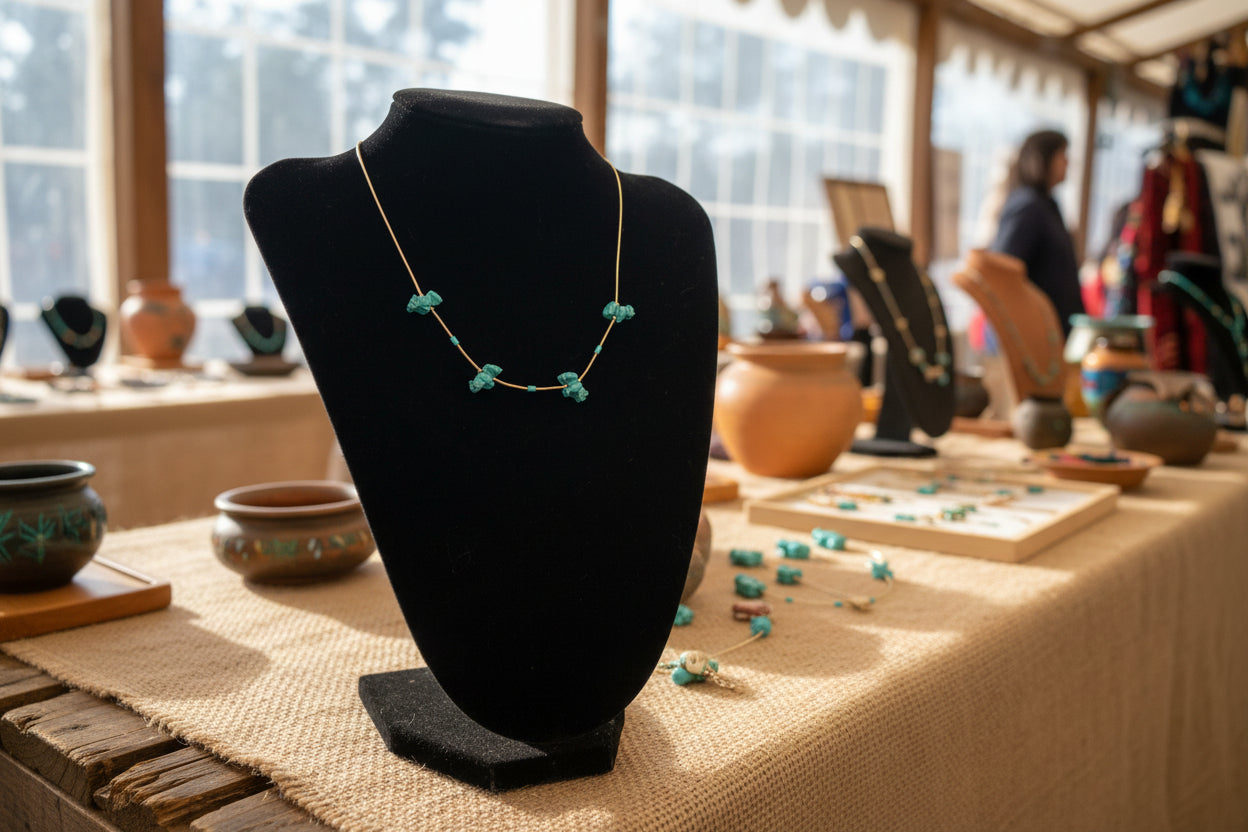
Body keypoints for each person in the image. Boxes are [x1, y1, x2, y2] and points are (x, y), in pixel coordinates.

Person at [991, 129, 1085, 337]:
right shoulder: (1027, 205)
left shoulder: (1049, 204)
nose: (1067, 163)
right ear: (1043, 159)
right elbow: (1004, 269)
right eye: (1062, 156)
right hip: (1036, 331)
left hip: (1057, 326)